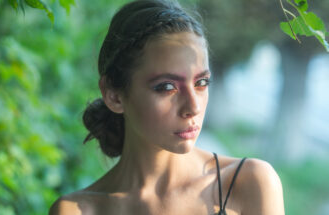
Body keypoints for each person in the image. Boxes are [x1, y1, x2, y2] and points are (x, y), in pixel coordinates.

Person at [49, 0, 285, 214]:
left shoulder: (249, 183)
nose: (193, 106)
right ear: (114, 96)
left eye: (201, 83)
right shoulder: (76, 211)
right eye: (166, 87)